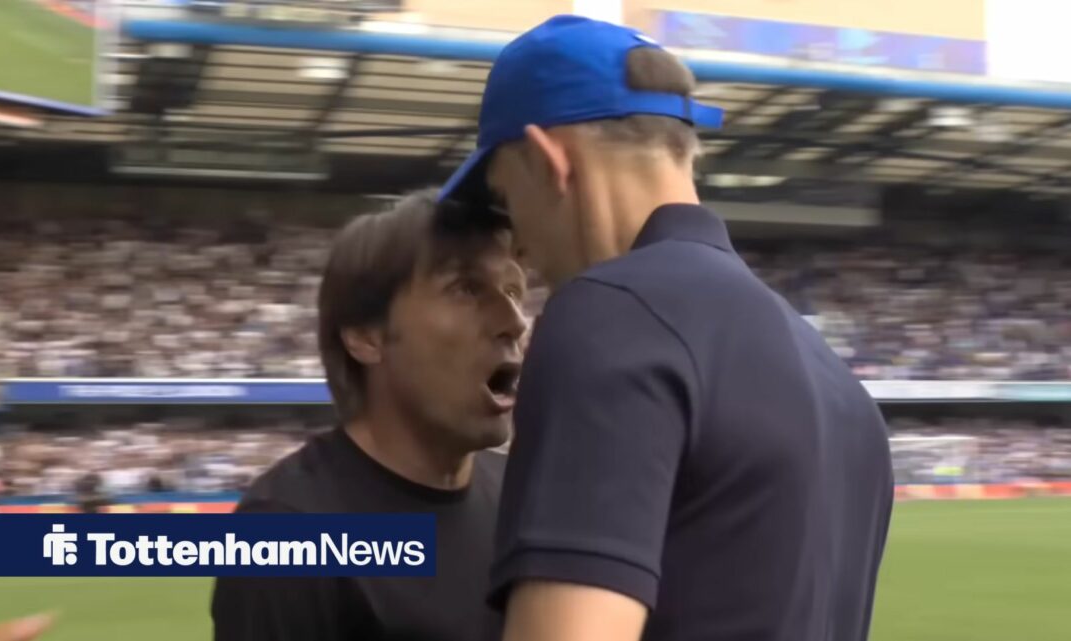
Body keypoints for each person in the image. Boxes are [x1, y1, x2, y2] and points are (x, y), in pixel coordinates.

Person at [439, 15, 895, 641]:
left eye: (505, 198)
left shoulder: (608, 315)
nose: (515, 244)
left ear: (549, 162)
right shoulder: (842, 387)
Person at [211, 188, 528, 641]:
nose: (514, 320)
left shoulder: (522, 498)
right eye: (466, 288)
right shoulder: (286, 531)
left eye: (514, 291)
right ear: (366, 335)